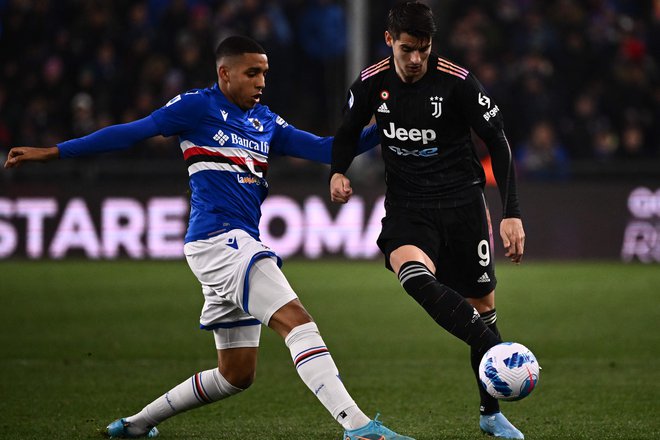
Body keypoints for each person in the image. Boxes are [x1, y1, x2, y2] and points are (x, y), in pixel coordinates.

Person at [4, 36, 414, 440]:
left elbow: (328, 149)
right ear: (225, 73)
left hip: (227, 246)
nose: (260, 82)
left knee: (236, 374)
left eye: (265, 73)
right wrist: (53, 152)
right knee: (298, 322)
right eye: (252, 73)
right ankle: (357, 427)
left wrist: (384, 121)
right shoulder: (196, 107)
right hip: (220, 240)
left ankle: (136, 424)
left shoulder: (266, 121)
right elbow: (131, 132)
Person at [329, 3, 526, 439]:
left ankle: (490, 414)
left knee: (484, 309)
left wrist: (511, 212)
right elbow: (347, 131)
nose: (416, 59)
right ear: (389, 40)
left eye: (423, 49)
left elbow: (498, 140)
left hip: (463, 207)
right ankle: (497, 351)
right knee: (412, 274)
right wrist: (338, 171)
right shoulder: (370, 83)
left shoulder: (457, 83)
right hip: (408, 206)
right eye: (406, 49)